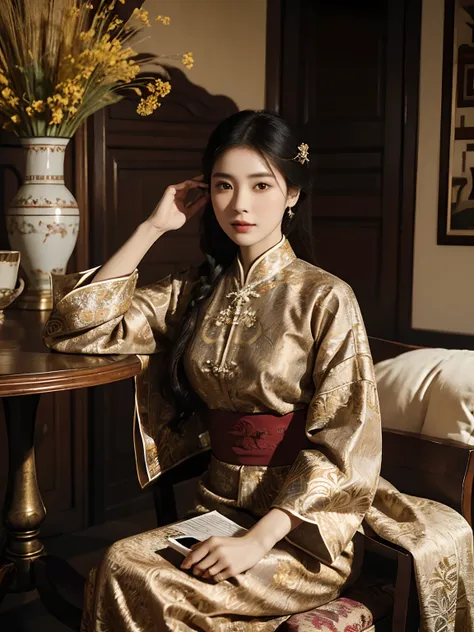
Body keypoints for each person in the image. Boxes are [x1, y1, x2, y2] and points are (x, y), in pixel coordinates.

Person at [44, 110, 474, 632]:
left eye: (260, 184)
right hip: (215, 509)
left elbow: (348, 442)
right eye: (223, 186)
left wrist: (256, 540)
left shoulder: (325, 297)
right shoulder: (194, 290)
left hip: (302, 533)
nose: (240, 204)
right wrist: (153, 226)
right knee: (118, 567)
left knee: (147, 583)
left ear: (292, 194)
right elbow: (75, 328)